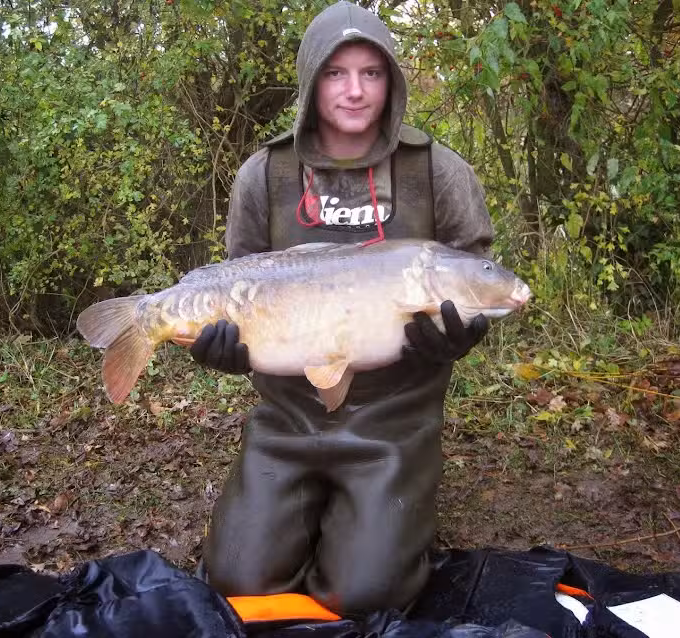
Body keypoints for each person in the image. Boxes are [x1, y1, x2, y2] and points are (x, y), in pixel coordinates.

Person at [189, 0, 495, 616]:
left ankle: (379, 517)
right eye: (335, 73)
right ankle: (308, 508)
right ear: (310, 81)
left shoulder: (439, 169)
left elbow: (481, 277)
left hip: (395, 420)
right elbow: (238, 281)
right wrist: (223, 348)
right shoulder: (264, 174)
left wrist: (464, 335)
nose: (355, 91)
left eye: (372, 73)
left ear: (392, 81)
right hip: (287, 419)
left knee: (363, 595)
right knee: (236, 582)